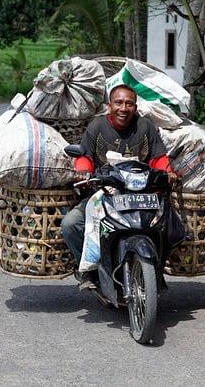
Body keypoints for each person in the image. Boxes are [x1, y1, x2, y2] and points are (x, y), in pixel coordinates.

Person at [61, 83, 172, 291]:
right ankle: (89, 271)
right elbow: (84, 156)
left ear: (135, 107)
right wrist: (84, 170)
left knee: (170, 225)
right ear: (109, 106)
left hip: (140, 196)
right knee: (70, 224)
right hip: (104, 195)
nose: (123, 108)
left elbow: (159, 158)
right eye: (119, 103)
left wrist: (167, 172)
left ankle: (156, 271)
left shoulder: (145, 126)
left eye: (129, 103)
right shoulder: (97, 126)